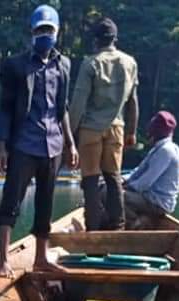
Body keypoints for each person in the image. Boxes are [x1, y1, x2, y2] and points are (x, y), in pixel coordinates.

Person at [0, 4, 79, 278]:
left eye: (49, 30)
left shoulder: (64, 65)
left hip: (52, 145)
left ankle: (41, 258)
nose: (45, 35)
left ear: (57, 31)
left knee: (45, 204)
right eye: (40, 30)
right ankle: (3, 260)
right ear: (32, 32)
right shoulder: (15, 66)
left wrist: (71, 144)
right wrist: (1, 144)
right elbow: (5, 108)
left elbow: (62, 108)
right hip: (24, 144)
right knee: (11, 201)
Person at [69, 17, 139, 231]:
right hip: (117, 128)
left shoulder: (90, 63)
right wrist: (132, 132)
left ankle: (93, 226)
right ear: (114, 39)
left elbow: (78, 103)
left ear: (96, 41)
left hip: (91, 129)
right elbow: (133, 101)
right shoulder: (130, 63)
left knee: (90, 179)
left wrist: (69, 137)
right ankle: (118, 225)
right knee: (113, 177)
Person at [124, 111, 179, 228]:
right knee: (110, 191)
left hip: (158, 202)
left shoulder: (165, 151)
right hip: (150, 198)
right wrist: (121, 179)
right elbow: (138, 171)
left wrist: (125, 187)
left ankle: (136, 223)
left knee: (114, 197)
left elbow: (145, 183)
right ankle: (141, 220)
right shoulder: (159, 149)